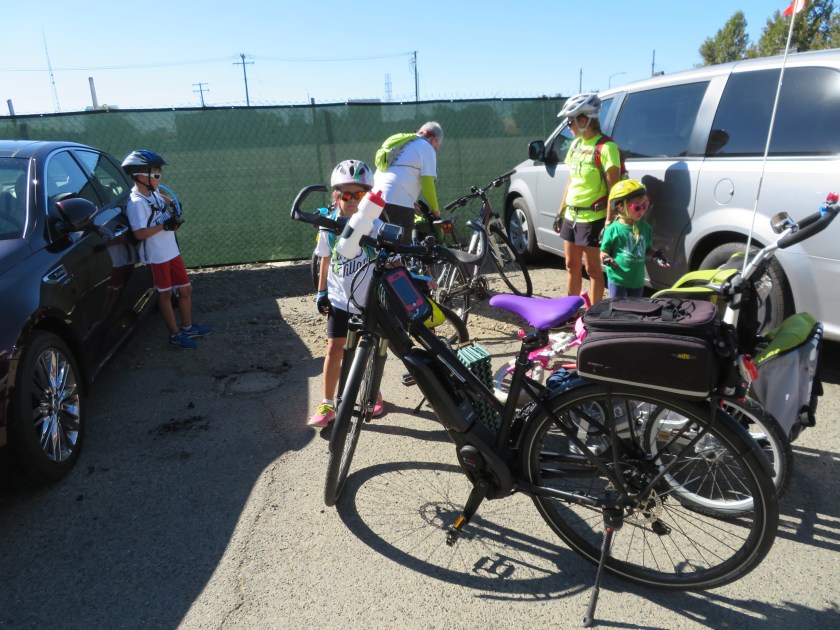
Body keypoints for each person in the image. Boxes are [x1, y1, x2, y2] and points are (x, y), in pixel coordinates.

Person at [309, 159, 387, 429]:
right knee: (334, 348)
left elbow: (390, 259)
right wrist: (321, 292)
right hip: (340, 299)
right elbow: (325, 259)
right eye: (346, 195)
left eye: (360, 195)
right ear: (336, 196)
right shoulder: (328, 225)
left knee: (367, 348)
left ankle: (372, 392)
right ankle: (326, 403)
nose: (353, 200)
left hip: (367, 300)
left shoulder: (376, 224)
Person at [122, 149, 213, 349]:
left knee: (186, 289)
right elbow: (139, 234)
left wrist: (173, 203)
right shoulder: (136, 204)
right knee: (165, 295)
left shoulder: (153, 192)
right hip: (157, 255)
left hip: (170, 250)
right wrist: (164, 226)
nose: (159, 179)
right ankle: (174, 334)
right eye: (156, 175)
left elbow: (162, 198)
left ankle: (188, 327)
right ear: (141, 177)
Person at [553, 94, 621, 303]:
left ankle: (594, 315)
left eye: (570, 122)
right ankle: (571, 309)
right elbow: (572, 181)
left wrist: (608, 223)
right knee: (571, 265)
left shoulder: (606, 148)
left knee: (593, 270)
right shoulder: (575, 145)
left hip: (593, 219)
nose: (568, 127)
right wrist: (560, 211)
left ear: (584, 120)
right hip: (571, 216)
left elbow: (614, 190)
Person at [373, 121, 443, 243]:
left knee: (377, 245)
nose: (437, 149)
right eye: (438, 145)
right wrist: (435, 211)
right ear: (433, 139)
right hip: (398, 203)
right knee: (401, 249)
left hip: (373, 200)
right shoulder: (426, 147)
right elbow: (428, 184)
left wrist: (412, 201)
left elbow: (397, 173)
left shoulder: (403, 142)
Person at [600, 179, 670, 298]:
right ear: (620, 207)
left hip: (637, 280)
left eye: (645, 206)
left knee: (635, 307)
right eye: (637, 208)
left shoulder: (645, 228)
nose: (642, 211)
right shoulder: (612, 229)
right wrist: (606, 258)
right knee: (618, 307)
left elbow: (647, 249)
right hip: (618, 279)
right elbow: (603, 251)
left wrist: (657, 255)